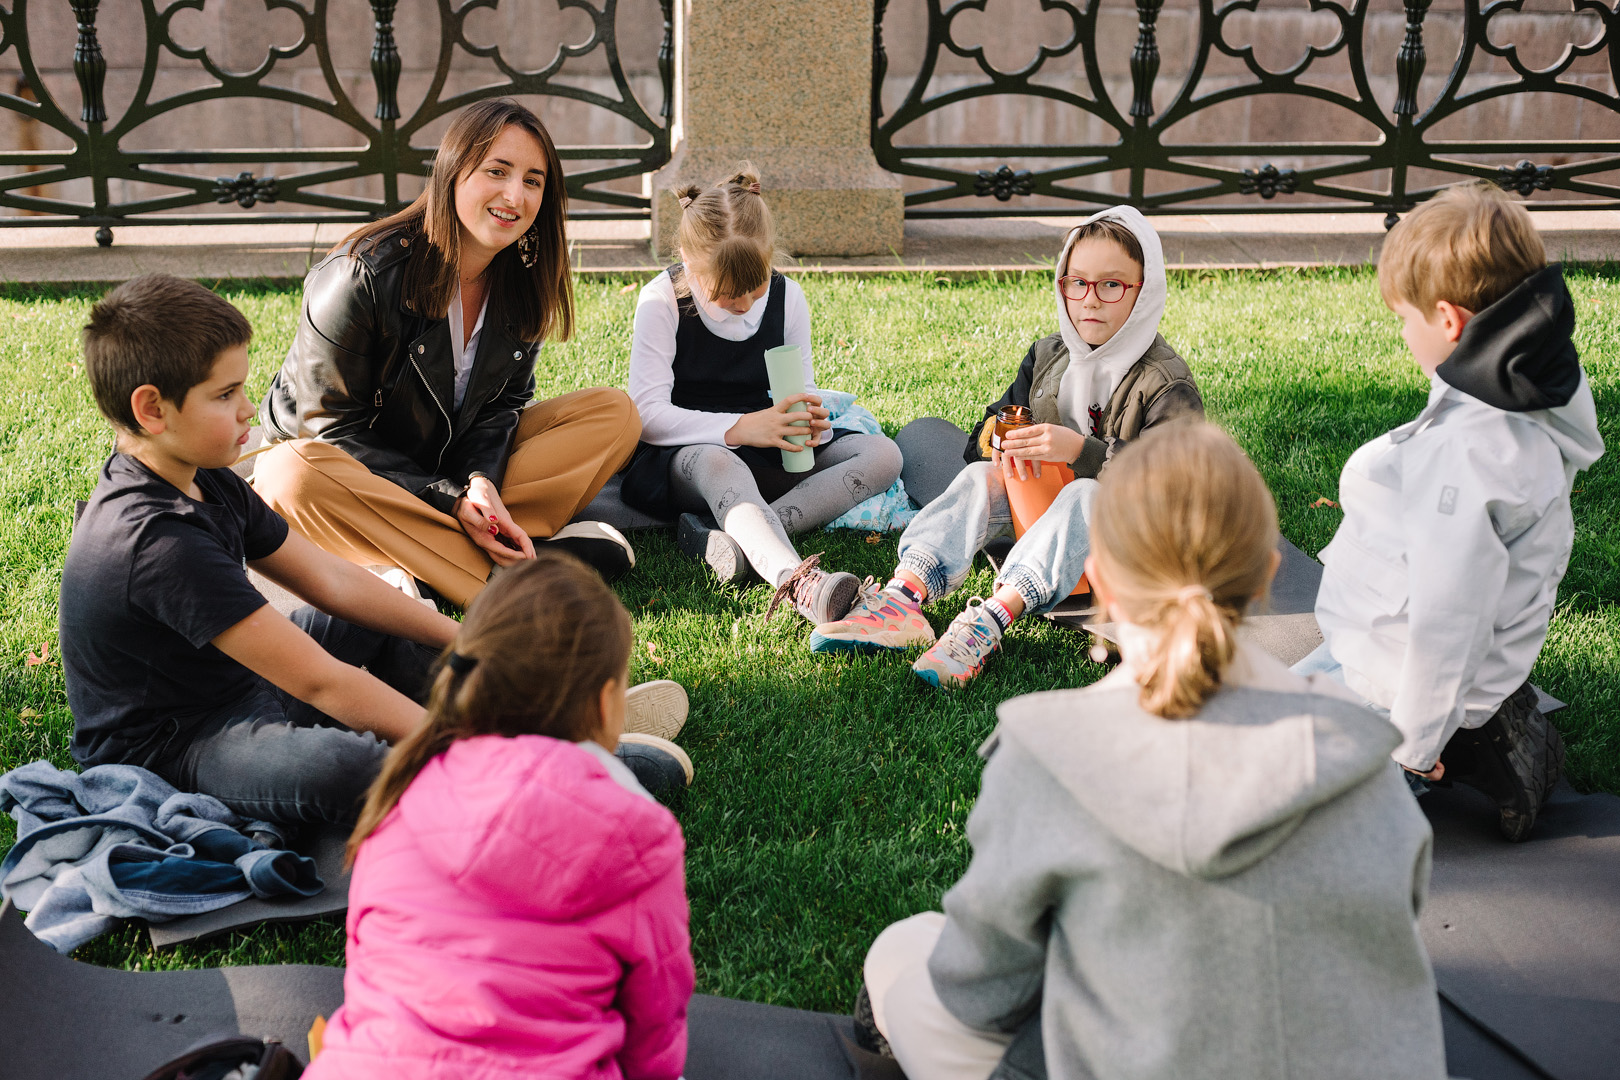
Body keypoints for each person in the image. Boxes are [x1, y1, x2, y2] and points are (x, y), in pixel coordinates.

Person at [858, 422, 1447, 1080]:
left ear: (1101, 580)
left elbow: (982, 993)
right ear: (1267, 575)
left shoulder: (1050, 754)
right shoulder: (1363, 753)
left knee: (901, 953)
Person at [60, 274, 459, 826]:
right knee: (348, 769)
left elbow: (332, 580)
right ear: (152, 409)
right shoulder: (157, 541)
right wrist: (455, 752)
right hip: (183, 746)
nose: (250, 409)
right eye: (225, 395)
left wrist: (471, 640)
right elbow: (321, 681)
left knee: (396, 615)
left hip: (247, 680)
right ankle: (468, 758)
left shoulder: (204, 475)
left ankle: (476, 715)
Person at [305, 554, 693, 1080]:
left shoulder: (401, 793)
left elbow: (368, 963)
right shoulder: (637, 836)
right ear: (606, 704)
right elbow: (655, 1012)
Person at [1295, 182, 1604, 841]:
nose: (1402, 333)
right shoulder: (1522, 381)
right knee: (1235, 718)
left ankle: (1469, 740)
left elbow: (1448, 619)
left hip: (1396, 687)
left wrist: (1412, 743)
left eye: (1403, 318)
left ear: (1449, 322)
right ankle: (1475, 721)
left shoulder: (1470, 458)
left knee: (1267, 807)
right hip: (1371, 654)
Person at [253, 98, 641, 607]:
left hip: (447, 467)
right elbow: (327, 430)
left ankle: (429, 558)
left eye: (532, 180)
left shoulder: (521, 281)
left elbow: (500, 409)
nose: (514, 195)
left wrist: (478, 482)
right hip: (352, 480)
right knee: (289, 471)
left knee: (615, 413)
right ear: (453, 172)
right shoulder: (357, 276)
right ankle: (515, 577)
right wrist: (450, 497)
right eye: (496, 171)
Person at [811, 207, 1202, 687]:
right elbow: (982, 436)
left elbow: (1175, 485)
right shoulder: (1048, 355)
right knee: (981, 478)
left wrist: (1081, 450)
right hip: (1045, 532)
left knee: (1086, 494)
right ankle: (903, 597)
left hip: (1129, 550)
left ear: (1144, 292)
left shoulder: (1165, 382)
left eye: (1111, 285)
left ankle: (988, 621)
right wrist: (1000, 437)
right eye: (1076, 282)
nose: (1090, 300)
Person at [619, 164, 902, 624]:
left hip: (765, 445)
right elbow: (647, 414)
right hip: (689, 457)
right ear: (691, 265)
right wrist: (740, 428)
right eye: (729, 294)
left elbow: (801, 388)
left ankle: (743, 536)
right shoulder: (663, 299)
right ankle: (797, 580)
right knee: (719, 461)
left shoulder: (789, 298)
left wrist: (807, 420)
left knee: (883, 454)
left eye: (757, 287)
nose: (746, 304)